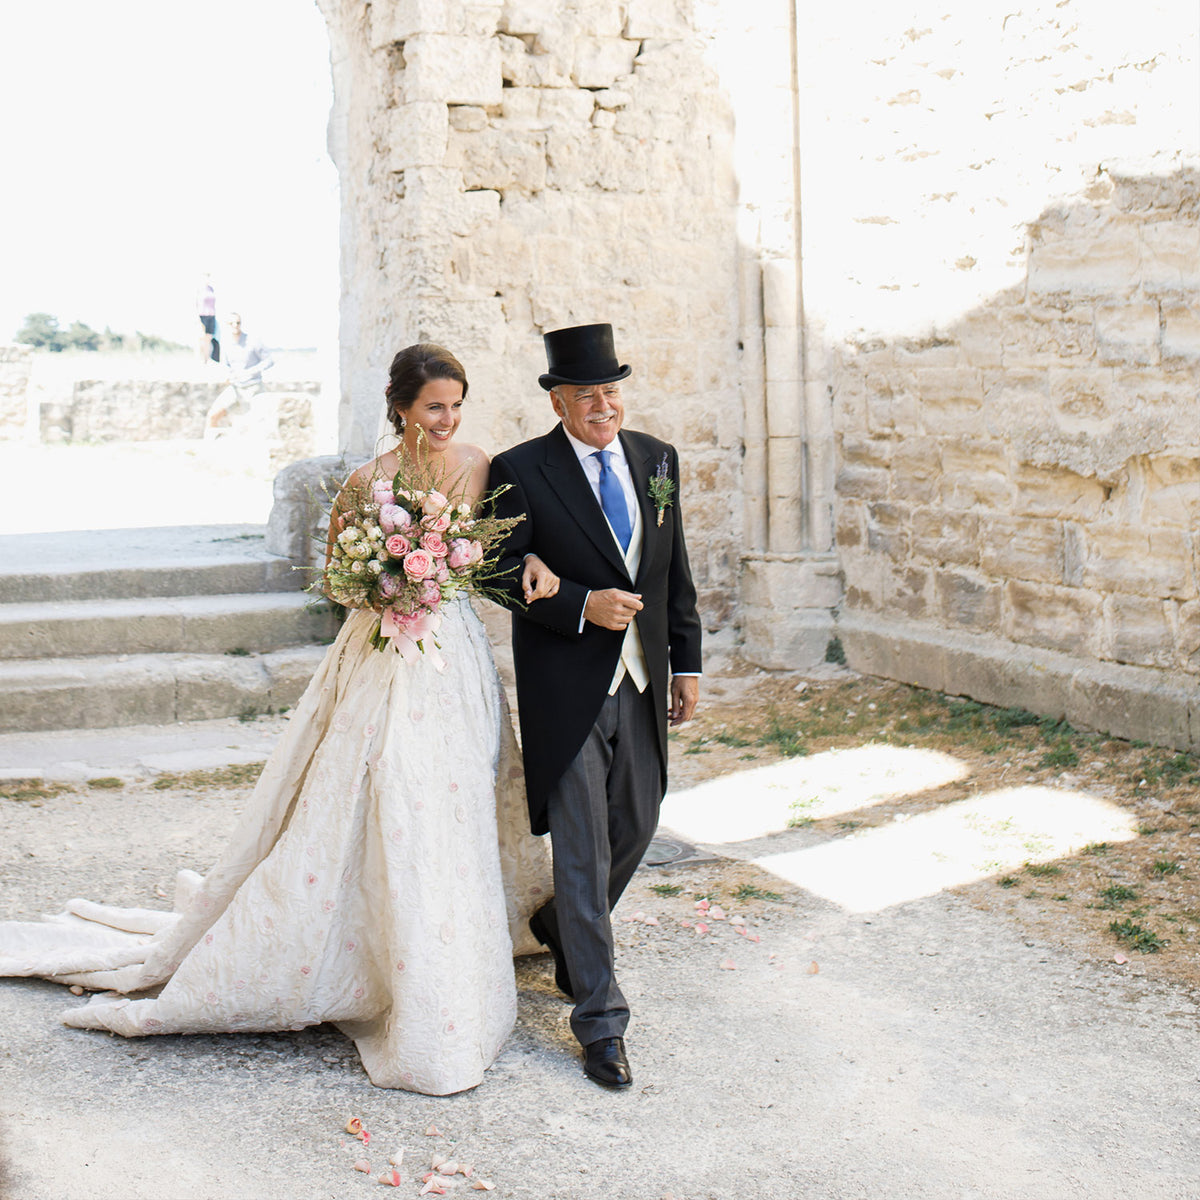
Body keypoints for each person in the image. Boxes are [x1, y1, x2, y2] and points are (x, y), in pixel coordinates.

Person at [0, 344, 557, 1096]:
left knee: (454, 790)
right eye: (433, 407)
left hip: (454, 657)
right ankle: (369, 952)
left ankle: (450, 948)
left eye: (455, 405)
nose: (447, 419)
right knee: (385, 781)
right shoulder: (367, 483)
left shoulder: (480, 463)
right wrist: (388, 581)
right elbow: (336, 577)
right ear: (400, 407)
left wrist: (476, 572)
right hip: (383, 651)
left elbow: (508, 547)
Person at [488, 323, 702, 1090]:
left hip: (645, 679)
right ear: (558, 399)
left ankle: (558, 933)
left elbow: (672, 567)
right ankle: (600, 1022)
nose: (604, 405)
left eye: (612, 391)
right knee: (579, 856)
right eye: (587, 395)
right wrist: (582, 604)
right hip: (567, 689)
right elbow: (501, 574)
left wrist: (690, 662)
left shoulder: (656, 460)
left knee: (638, 823)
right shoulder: (519, 471)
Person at [204, 312, 275, 435]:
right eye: (231, 323)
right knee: (213, 415)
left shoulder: (253, 341)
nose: (235, 325)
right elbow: (225, 365)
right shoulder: (226, 344)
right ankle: (208, 447)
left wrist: (249, 372)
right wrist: (227, 375)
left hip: (254, 388)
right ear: (227, 325)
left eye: (238, 323)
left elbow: (269, 361)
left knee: (255, 425)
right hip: (235, 387)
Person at [195, 274, 218, 364]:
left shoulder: (212, 289)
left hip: (211, 315)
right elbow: (195, 303)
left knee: (209, 338)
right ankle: (200, 359)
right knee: (202, 337)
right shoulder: (199, 289)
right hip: (202, 315)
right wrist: (197, 317)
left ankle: (206, 360)